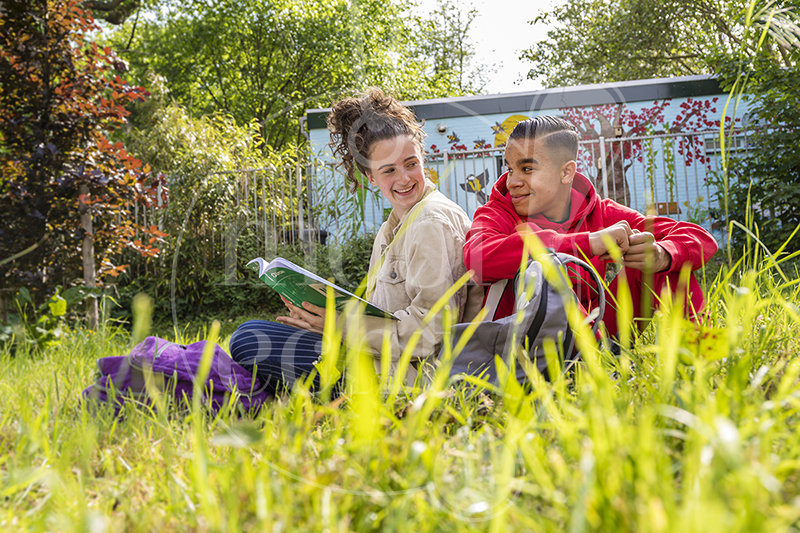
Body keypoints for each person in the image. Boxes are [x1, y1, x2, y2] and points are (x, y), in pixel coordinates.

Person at [229, 89, 483, 395]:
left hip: (405, 378)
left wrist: (338, 327)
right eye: (388, 170)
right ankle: (266, 392)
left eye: (411, 163)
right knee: (254, 334)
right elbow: (380, 313)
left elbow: (430, 335)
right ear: (370, 177)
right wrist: (319, 320)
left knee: (250, 339)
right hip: (376, 357)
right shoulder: (396, 225)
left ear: (423, 157)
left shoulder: (431, 222)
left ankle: (264, 393)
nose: (404, 178)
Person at [464, 115, 718, 339]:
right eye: (509, 169)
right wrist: (585, 243)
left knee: (665, 263)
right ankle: (594, 364)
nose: (512, 182)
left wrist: (664, 254)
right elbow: (477, 258)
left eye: (527, 169)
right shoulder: (498, 212)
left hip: (597, 329)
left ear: (566, 172)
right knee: (547, 266)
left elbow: (699, 237)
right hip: (529, 341)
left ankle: (704, 355)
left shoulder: (599, 210)